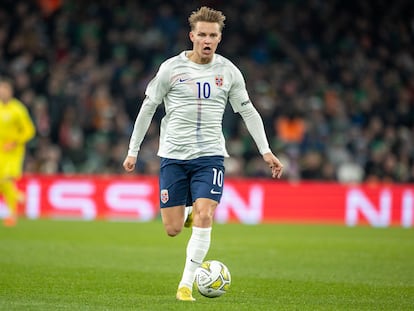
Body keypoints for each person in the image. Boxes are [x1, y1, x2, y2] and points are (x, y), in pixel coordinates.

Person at [123, 6, 283, 301]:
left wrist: (266, 151)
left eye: (213, 35)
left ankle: (185, 285)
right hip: (173, 155)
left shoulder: (229, 71)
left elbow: (248, 111)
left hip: (210, 156)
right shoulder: (171, 68)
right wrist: (133, 151)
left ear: (219, 38)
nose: (207, 40)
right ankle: (185, 213)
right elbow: (148, 108)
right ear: (192, 36)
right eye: (203, 35)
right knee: (172, 229)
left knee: (205, 214)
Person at [0, 78, 36, 226]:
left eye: (4, 89)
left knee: (6, 179)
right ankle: (18, 196)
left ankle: (12, 215)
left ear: (10, 91)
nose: (1, 92)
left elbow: (29, 130)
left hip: (13, 152)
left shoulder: (18, 109)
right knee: (3, 183)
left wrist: (15, 142)